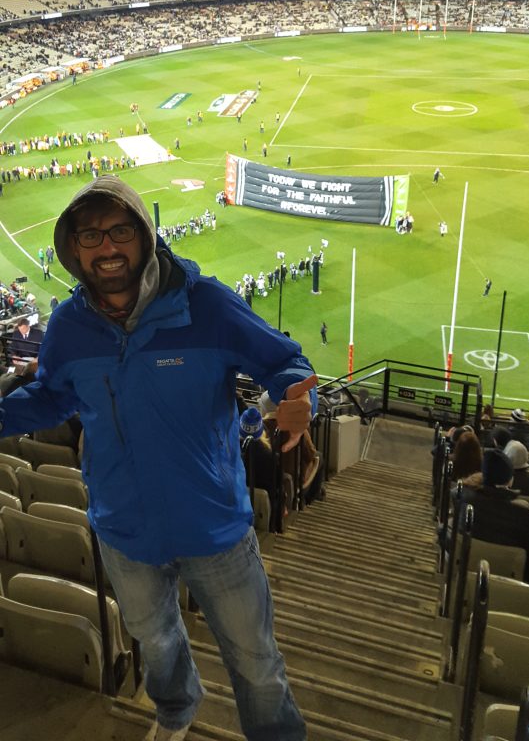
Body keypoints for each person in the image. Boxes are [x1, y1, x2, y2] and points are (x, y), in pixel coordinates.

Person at [0, 177, 316, 741]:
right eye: (90, 235)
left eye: (120, 230)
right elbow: (52, 395)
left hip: (215, 528)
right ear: (72, 247)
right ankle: (175, 713)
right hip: (124, 531)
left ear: (144, 235)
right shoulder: (69, 326)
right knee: (156, 640)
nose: (106, 246)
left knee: (256, 661)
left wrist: (297, 396)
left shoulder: (207, 304)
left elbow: (283, 361)